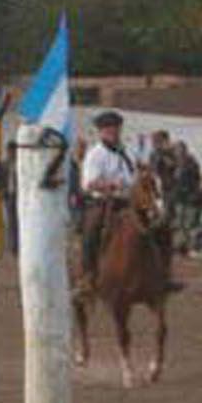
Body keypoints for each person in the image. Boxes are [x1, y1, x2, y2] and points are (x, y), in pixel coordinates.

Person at [79, 111, 137, 289]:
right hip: (104, 203)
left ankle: (159, 274)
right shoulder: (95, 154)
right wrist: (110, 185)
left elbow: (133, 176)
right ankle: (88, 276)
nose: (115, 133)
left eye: (117, 129)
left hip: (127, 202)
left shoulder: (126, 152)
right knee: (92, 232)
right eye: (110, 130)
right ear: (102, 132)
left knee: (155, 226)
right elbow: (89, 183)